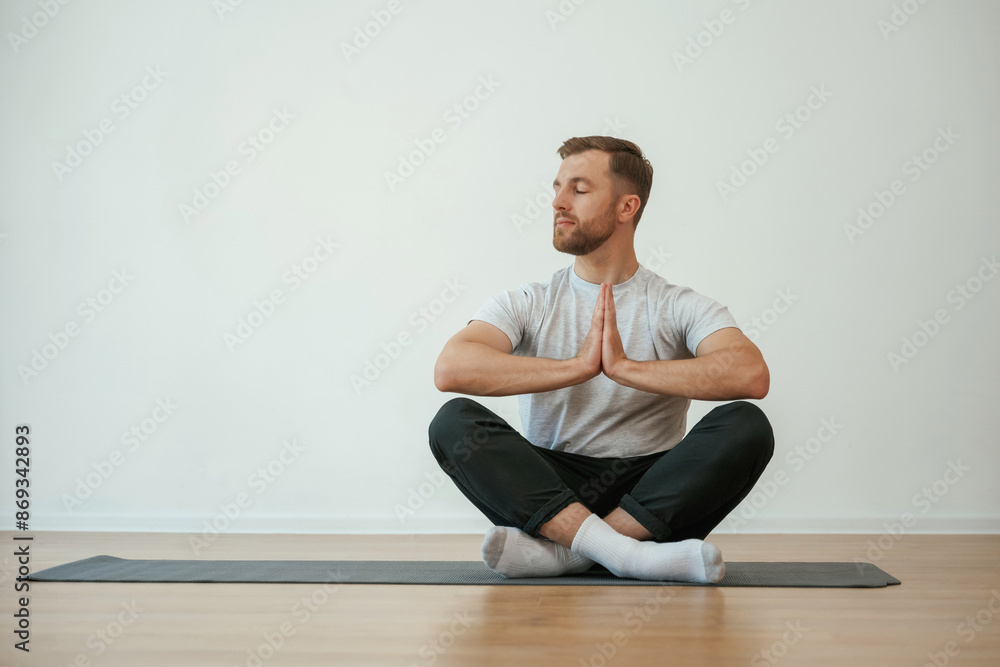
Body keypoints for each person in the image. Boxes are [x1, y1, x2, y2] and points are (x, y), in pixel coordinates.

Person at [427, 136, 774, 583]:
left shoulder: (675, 304)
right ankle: (625, 555)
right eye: (557, 188)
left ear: (627, 207)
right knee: (452, 422)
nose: (558, 201)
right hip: (551, 490)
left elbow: (750, 374)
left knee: (747, 425)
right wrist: (576, 368)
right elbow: (451, 368)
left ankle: (568, 554)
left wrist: (627, 370)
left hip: (651, 493)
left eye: (579, 189)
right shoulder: (530, 301)